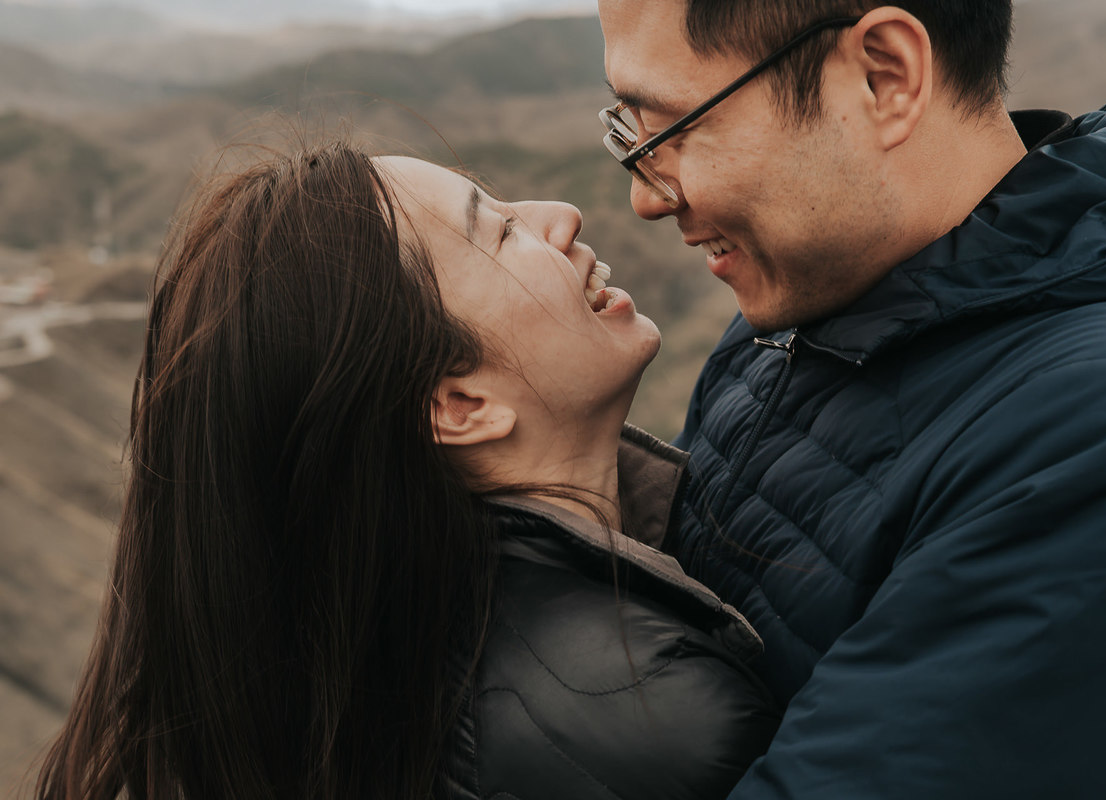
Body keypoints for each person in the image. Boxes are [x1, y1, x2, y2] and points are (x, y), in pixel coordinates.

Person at [32, 142, 780, 800]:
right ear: (460, 404)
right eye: (502, 230)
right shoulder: (651, 720)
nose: (563, 213)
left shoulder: (409, 658)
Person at [597, 0, 1106, 797]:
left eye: (671, 127)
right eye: (627, 132)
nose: (647, 196)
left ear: (885, 76)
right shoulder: (796, 311)